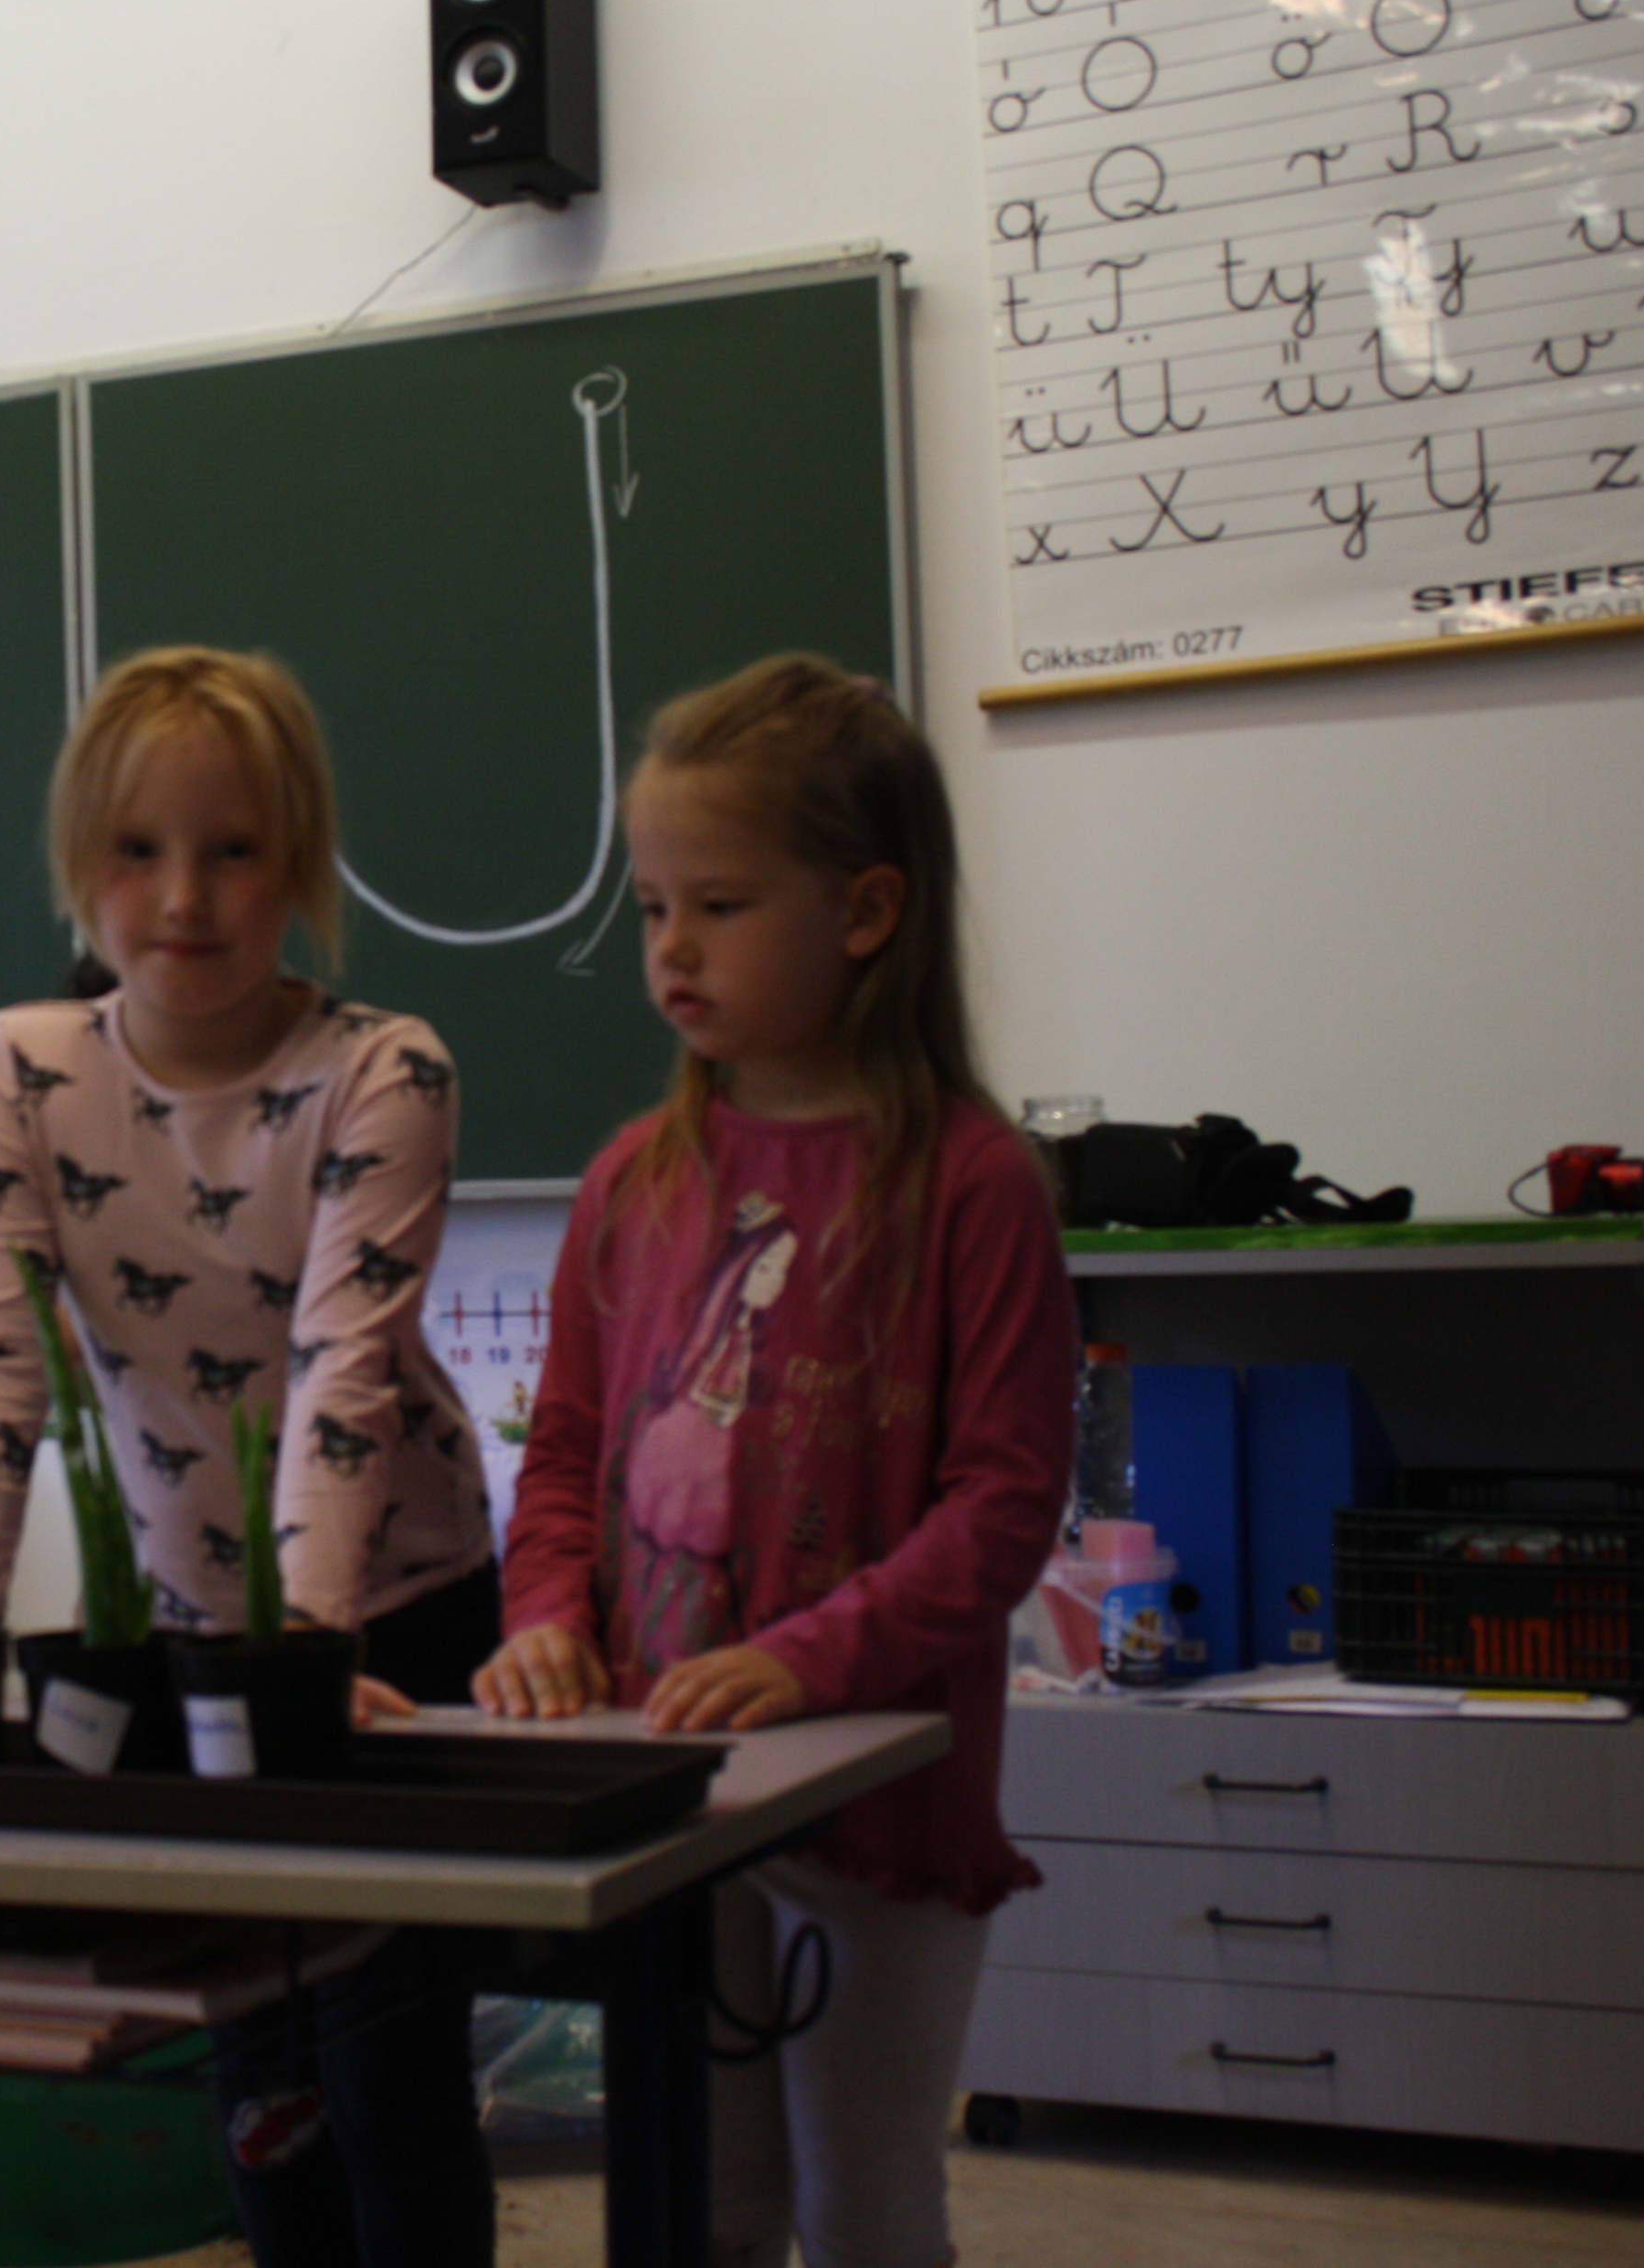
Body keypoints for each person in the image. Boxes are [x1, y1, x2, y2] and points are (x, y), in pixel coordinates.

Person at [473, 654, 1075, 2268]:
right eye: (652, 906)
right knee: (698, 2200)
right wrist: (545, 1616)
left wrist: (804, 1661)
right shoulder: (634, 1176)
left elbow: (1003, 1506)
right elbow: (564, 1454)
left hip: (874, 1800)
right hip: (669, 1789)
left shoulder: (973, 1184)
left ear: (866, 911)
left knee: (864, 2207)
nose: (669, 947)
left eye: (719, 905)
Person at [0, 646, 499, 2268]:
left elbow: (343, 1369)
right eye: (137, 850)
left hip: (392, 1611)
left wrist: (307, 1651)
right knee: (257, 2076)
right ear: (76, 861)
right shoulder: (19, 1068)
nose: (183, 896)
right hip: (191, 1633)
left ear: (297, 862)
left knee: (387, 2068)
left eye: (233, 849)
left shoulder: (382, 1067)